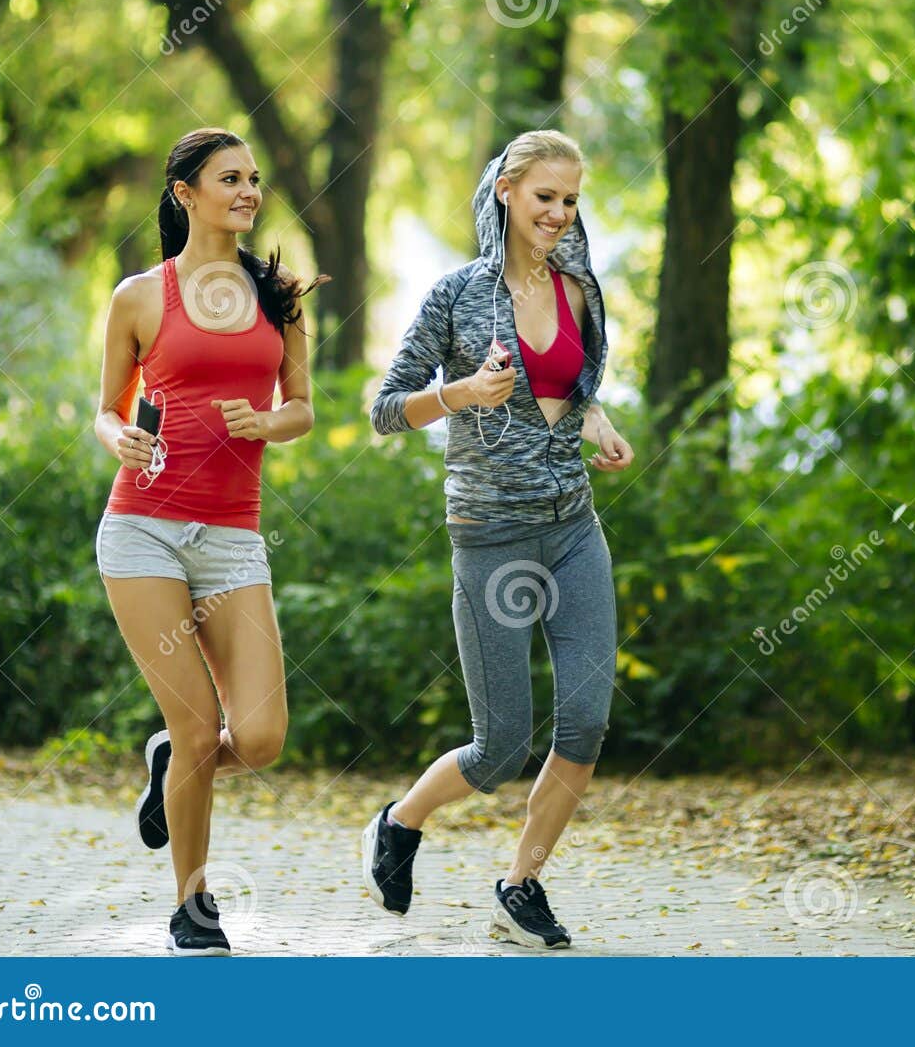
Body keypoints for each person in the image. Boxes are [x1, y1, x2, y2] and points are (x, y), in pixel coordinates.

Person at [364, 129, 633, 950]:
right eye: (545, 196)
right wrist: (461, 391)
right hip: (490, 534)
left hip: (573, 527)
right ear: (508, 192)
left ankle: (521, 886)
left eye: (572, 200)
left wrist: (597, 419)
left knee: (585, 722)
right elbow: (385, 408)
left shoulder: (583, 289)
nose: (559, 214)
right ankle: (401, 820)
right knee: (500, 748)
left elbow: (570, 388)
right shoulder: (457, 295)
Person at [93, 127, 322, 956]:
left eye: (254, 178)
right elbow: (109, 406)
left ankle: (167, 765)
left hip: (231, 537)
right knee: (197, 728)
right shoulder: (140, 296)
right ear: (185, 192)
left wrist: (265, 420)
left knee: (257, 739)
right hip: (143, 530)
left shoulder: (280, 293)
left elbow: (302, 405)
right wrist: (115, 434)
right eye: (231, 178)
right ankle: (192, 903)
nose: (249, 190)